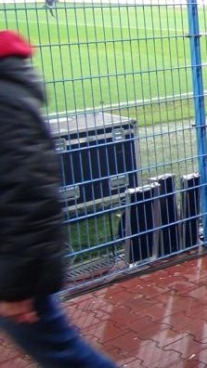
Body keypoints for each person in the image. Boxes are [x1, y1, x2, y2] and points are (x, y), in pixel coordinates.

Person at [0, 30, 116, 367]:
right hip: (15, 263)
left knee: (65, 355)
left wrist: (16, 288)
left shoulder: (5, 100)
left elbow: (27, 193)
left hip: (17, 268)